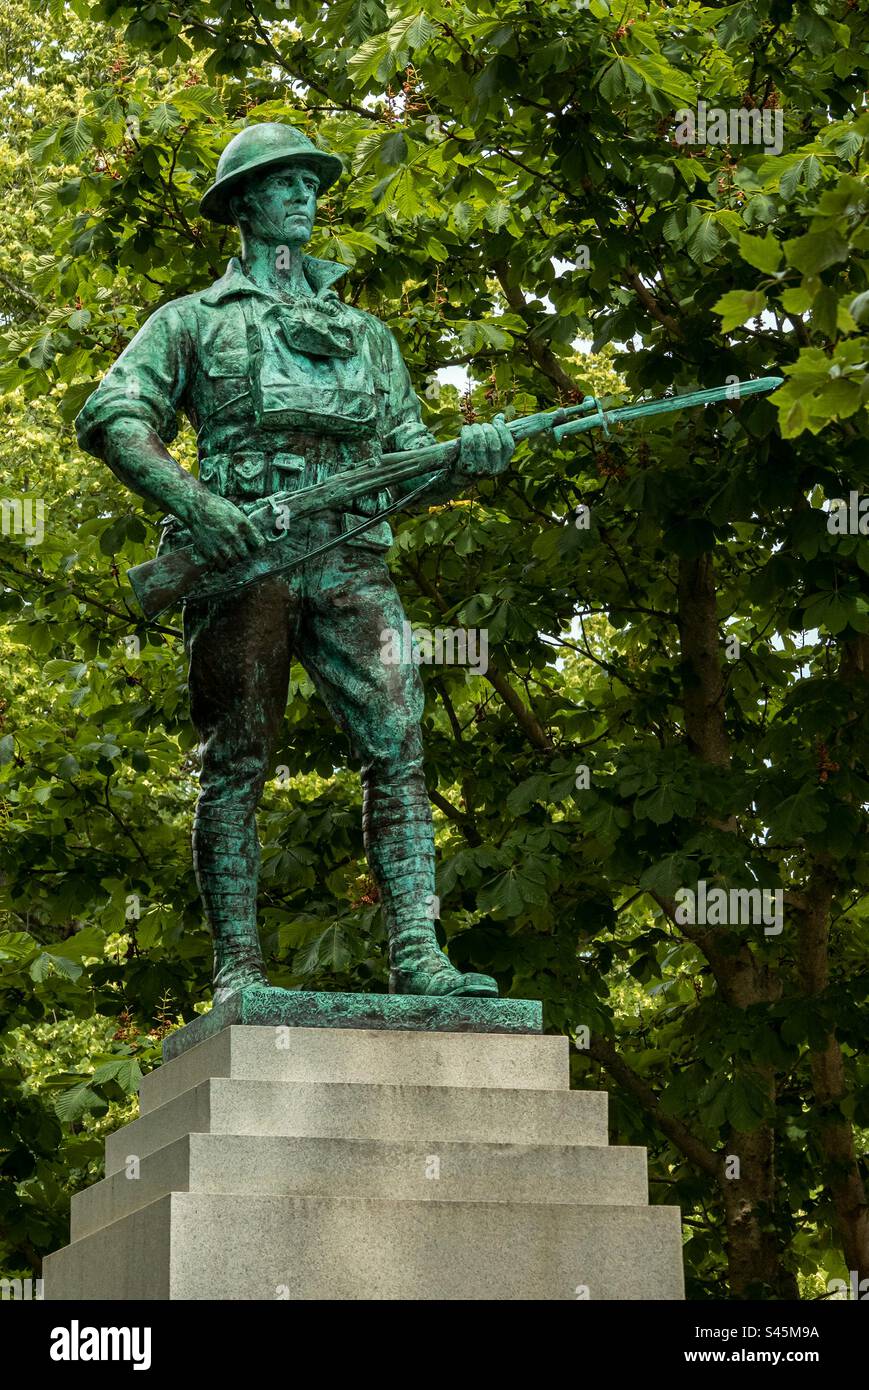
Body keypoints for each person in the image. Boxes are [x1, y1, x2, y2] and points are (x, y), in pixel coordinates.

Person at [76, 122, 514, 1000]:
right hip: (244, 560)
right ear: (241, 204)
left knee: (398, 748)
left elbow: (410, 461)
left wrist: (467, 459)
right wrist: (198, 506)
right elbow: (112, 419)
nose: (304, 197)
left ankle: (419, 958)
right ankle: (239, 968)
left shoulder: (368, 335)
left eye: (312, 184)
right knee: (237, 761)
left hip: (352, 558)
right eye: (283, 184)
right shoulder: (192, 322)